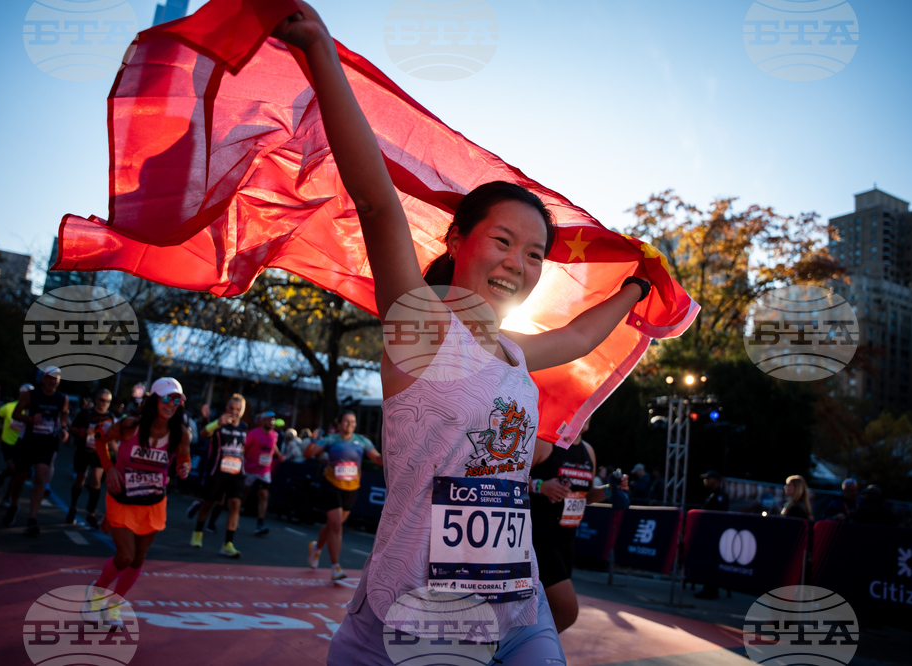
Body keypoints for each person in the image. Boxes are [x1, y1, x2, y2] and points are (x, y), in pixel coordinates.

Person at [272, 5, 648, 661]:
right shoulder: (419, 327)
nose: (519, 263)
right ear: (456, 240)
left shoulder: (514, 352)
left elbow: (581, 337)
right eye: (503, 241)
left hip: (517, 606)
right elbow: (375, 202)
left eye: (535, 254)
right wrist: (319, 51)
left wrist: (640, 288)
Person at [85, 377, 191, 627]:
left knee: (138, 559)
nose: (171, 404)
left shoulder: (180, 433)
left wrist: (183, 467)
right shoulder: (130, 425)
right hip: (122, 498)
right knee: (125, 556)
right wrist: (109, 468)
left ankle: (114, 604)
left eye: (177, 400)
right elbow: (99, 438)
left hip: (153, 503)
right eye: (166, 398)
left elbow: (183, 459)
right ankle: (96, 592)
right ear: (154, 400)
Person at [529, 419, 607, 632]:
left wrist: (610, 490)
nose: (589, 414)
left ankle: (525, 647)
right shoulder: (545, 443)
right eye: (582, 407)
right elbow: (510, 477)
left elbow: (586, 496)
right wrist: (540, 485)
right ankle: (525, 648)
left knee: (543, 610)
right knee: (567, 611)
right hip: (538, 539)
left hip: (567, 541)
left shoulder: (588, 451)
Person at [303, 410, 382, 581]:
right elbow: (308, 454)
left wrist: (394, 450)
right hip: (331, 484)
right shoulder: (331, 440)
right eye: (346, 421)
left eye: (352, 422)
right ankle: (335, 567)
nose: (349, 424)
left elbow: (377, 460)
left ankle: (316, 548)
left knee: (332, 525)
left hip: (351, 488)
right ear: (339, 424)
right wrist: (312, 442)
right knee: (337, 526)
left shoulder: (362, 441)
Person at [4, 367, 70, 535]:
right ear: (43, 379)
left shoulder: (62, 398)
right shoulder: (30, 395)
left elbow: (64, 415)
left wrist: (63, 429)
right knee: (20, 477)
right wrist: (30, 419)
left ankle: (32, 518)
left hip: (46, 443)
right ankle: (13, 505)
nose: (52, 381)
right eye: (49, 378)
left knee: (40, 478)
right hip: (28, 441)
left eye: (55, 378)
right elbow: (16, 414)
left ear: (59, 381)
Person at [191, 394, 249, 557]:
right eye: (232, 408)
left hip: (237, 472)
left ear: (242, 411)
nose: (235, 412)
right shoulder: (219, 423)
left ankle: (228, 544)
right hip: (217, 471)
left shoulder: (243, 427)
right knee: (209, 503)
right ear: (227, 409)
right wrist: (217, 423)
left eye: (238, 409)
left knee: (235, 504)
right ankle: (198, 532)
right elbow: (203, 434)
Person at [67, 389, 116, 527]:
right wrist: (82, 431)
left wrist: (116, 454)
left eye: (108, 401)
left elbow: (112, 438)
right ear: (96, 400)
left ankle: (91, 513)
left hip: (99, 453)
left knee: (96, 479)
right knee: (80, 479)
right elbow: (72, 428)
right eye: (102, 400)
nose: (104, 403)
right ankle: (73, 507)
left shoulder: (110, 416)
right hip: (83, 451)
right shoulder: (86, 413)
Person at [244, 411, 283, 536]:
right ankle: (235, 514)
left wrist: (279, 454)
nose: (271, 422)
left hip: (264, 471)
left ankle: (260, 523)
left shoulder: (274, 435)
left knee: (264, 495)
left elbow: (273, 445)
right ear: (263, 421)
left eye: (273, 420)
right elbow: (245, 448)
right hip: (250, 469)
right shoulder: (253, 433)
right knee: (243, 494)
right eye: (269, 419)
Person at [0, 384, 33, 502]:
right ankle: (7, 497)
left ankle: (3, 480)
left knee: (17, 472)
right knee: (16, 471)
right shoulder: (9, 407)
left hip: (24, 445)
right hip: (8, 443)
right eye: (25, 394)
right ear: (20, 394)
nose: (28, 397)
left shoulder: (33, 411)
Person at [694, 470, 728, 600]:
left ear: (715, 480)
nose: (706, 480)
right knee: (708, 562)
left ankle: (711, 590)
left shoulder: (720, 495)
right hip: (710, 533)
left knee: (712, 562)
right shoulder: (713, 494)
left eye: (708, 478)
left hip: (715, 534)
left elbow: (718, 516)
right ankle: (708, 589)